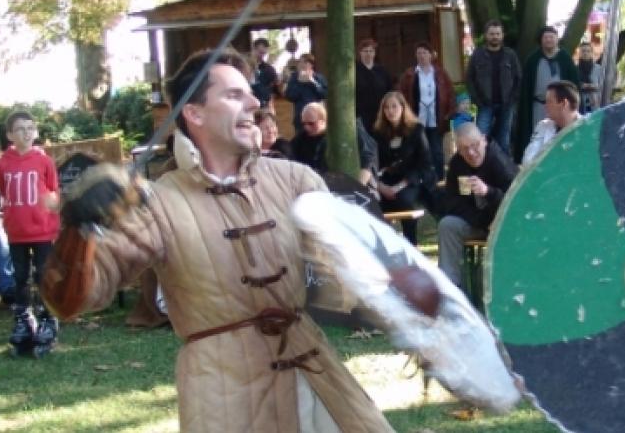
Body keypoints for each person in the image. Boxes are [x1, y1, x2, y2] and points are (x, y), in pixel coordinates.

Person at [43, 49, 394, 431]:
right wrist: (79, 232)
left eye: (250, 94)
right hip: (224, 391)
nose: (255, 103)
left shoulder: (294, 179)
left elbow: (353, 273)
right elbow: (73, 300)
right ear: (194, 114)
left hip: (313, 373)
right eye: (233, 95)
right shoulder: (158, 203)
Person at [0, 110, 61, 353]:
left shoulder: (43, 160)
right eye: (20, 129)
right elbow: (4, 190)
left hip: (42, 231)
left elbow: (53, 190)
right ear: (10, 134)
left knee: (44, 275)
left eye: (30, 128)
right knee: (20, 277)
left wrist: (53, 217)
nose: (26, 133)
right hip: (17, 232)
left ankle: (48, 319)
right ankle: (24, 320)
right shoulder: (3, 163)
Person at [437, 123, 516, 290]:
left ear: (484, 140)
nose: (471, 153)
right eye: (465, 149)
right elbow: (451, 203)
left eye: (475, 145)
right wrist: (481, 221)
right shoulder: (457, 165)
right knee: (447, 224)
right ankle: (451, 288)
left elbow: (516, 202)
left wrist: (488, 192)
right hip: (476, 222)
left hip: (503, 226)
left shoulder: (499, 161)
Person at [371, 92, 437, 245]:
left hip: (412, 180)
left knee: (403, 200)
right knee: (375, 203)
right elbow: (373, 164)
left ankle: (411, 244)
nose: (390, 111)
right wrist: (381, 187)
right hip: (385, 180)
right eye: (386, 107)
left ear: (403, 108)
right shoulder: (377, 133)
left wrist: (398, 187)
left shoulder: (416, 130)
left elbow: (425, 164)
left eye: (394, 106)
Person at [516, 26, 579, 162]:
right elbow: (525, 88)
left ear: (557, 39)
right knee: (539, 135)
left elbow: (574, 86)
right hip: (538, 106)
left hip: (562, 106)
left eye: (552, 37)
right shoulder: (533, 60)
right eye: (546, 37)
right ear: (541, 40)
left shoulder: (565, 59)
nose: (549, 40)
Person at [397, 42, 456, 180]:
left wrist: (450, 112)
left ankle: (440, 178)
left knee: (437, 150)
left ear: (431, 55)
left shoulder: (440, 73)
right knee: (421, 149)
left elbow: (450, 93)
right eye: (419, 53)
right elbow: (401, 94)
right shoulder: (410, 74)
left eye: (425, 52)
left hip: (436, 117)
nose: (422, 56)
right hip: (417, 118)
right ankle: (422, 178)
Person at [466, 20, 521, 156]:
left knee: (504, 140)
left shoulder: (510, 55)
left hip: (506, 104)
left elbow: (518, 78)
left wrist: (513, 98)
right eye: (491, 34)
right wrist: (477, 100)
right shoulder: (477, 55)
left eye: (497, 34)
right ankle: (480, 168)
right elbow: (469, 79)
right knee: (480, 138)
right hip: (484, 104)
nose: (495, 36)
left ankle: (505, 171)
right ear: (486, 35)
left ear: (502, 35)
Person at [291, 102, 377, 186]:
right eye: (304, 123)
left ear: (324, 120)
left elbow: (368, 159)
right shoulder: (301, 139)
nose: (306, 127)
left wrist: (357, 187)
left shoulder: (350, 132)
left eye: (311, 123)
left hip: (350, 182)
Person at [522, 81, 582, 166]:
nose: (545, 106)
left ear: (564, 103)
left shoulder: (586, 130)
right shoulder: (543, 126)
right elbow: (527, 161)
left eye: (549, 102)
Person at [0, 137, 16, 303]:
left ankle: (7, 288)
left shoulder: (10, 176)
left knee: (1, 240)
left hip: (5, 223)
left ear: (0, 154)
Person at [355, 39, 393, 134]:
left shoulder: (382, 71)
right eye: (365, 51)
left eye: (371, 51)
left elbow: (389, 91)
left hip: (380, 113)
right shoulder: (354, 71)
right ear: (360, 53)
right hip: (361, 114)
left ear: (374, 53)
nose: (368, 54)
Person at [284, 54, 328, 133]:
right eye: (300, 62)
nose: (302, 64)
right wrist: (300, 83)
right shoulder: (294, 78)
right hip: (300, 119)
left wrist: (313, 82)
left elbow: (324, 94)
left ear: (311, 65)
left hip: (317, 118)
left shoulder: (319, 78)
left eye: (305, 62)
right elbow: (289, 96)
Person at [249, 38, 279, 110]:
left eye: (264, 53)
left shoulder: (269, 69)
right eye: (260, 52)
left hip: (264, 106)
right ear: (253, 49)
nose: (262, 56)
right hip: (248, 104)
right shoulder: (243, 66)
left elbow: (274, 89)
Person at [575, 41, 603, 113]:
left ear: (591, 53)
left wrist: (593, 86)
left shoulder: (599, 69)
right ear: (580, 53)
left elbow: (603, 85)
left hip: (595, 102)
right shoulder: (574, 69)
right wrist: (581, 85)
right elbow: (572, 85)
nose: (585, 53)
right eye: (583, 51)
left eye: (588, 51)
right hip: (579, 103)